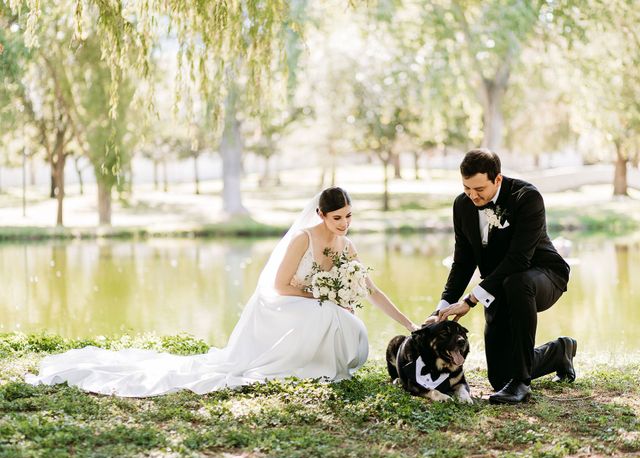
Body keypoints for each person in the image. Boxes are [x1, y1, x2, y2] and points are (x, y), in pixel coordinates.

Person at [26, 187, 418, 397]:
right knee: (324, 313)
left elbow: (369, 289)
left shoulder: (348, 247)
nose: (345, 224)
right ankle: (300, 366)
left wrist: (410, 324)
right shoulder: (303, 238)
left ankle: (325, 365)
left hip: (314, 301)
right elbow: (281, 285)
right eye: (338, 218)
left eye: (349, 216)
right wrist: (320, 296)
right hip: (281, 303)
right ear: (321, 215)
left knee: (341, 317)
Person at [428, 149, 576, 405]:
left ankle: (522, 383)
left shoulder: (526, 197)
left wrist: (472, 299)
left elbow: (519, 260)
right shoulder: (462, 205)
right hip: (498, 286)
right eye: (466, 188)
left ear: (498, 179)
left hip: (544, 276)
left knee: (518, 281)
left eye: (479, 189)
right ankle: (559, 352)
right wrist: (441, 309)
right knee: (499, 378)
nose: (473, 195)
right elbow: (463, 262)